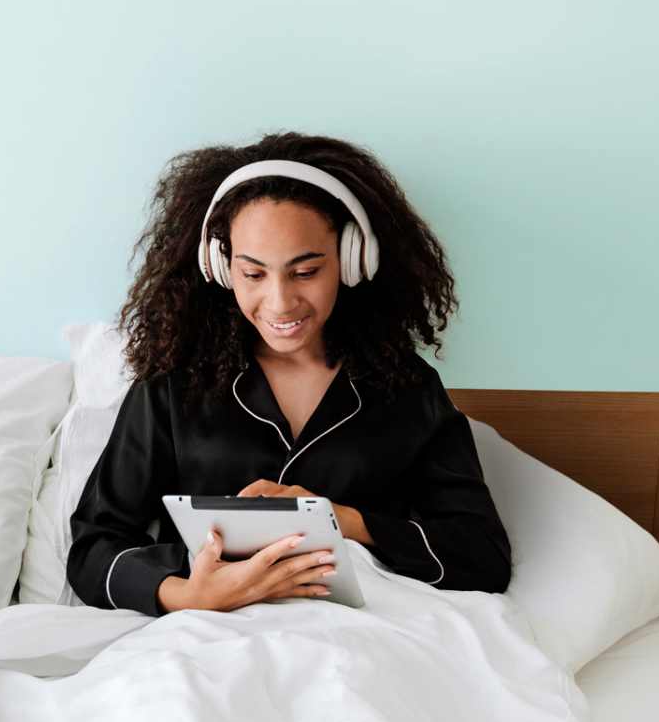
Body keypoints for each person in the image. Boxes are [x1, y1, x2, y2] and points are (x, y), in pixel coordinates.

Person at [67, 132, 511, 615]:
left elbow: (482, 557)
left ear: (351, 261)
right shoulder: (171, 387)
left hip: (363, 638)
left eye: (305, 272)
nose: (279, 303)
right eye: (253, 274)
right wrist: (187, 594)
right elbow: (94, 547)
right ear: (219, 267)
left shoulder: (406, 389)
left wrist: (342, 520)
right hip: (206, 638)